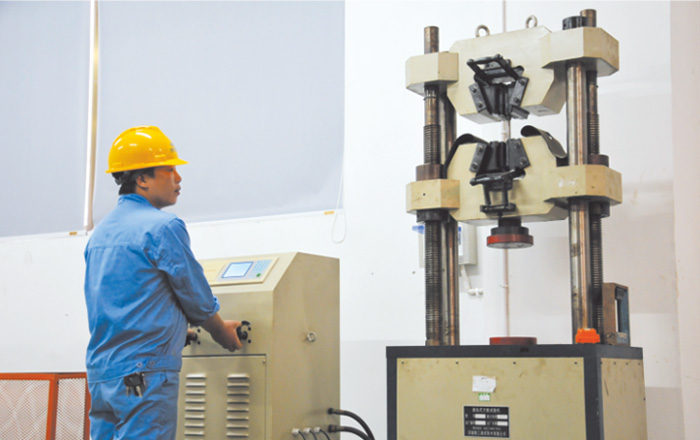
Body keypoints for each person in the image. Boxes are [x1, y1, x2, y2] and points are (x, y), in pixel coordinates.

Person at [84, 125, 243, 439]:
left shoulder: (100, 234)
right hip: (144, 377)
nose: (178, 178)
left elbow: (121, 302)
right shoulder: (163, 227)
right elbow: (195, 295)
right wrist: (220, 330)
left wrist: (174, 331)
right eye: (169, 169)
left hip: (103, 376)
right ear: (142, 179)